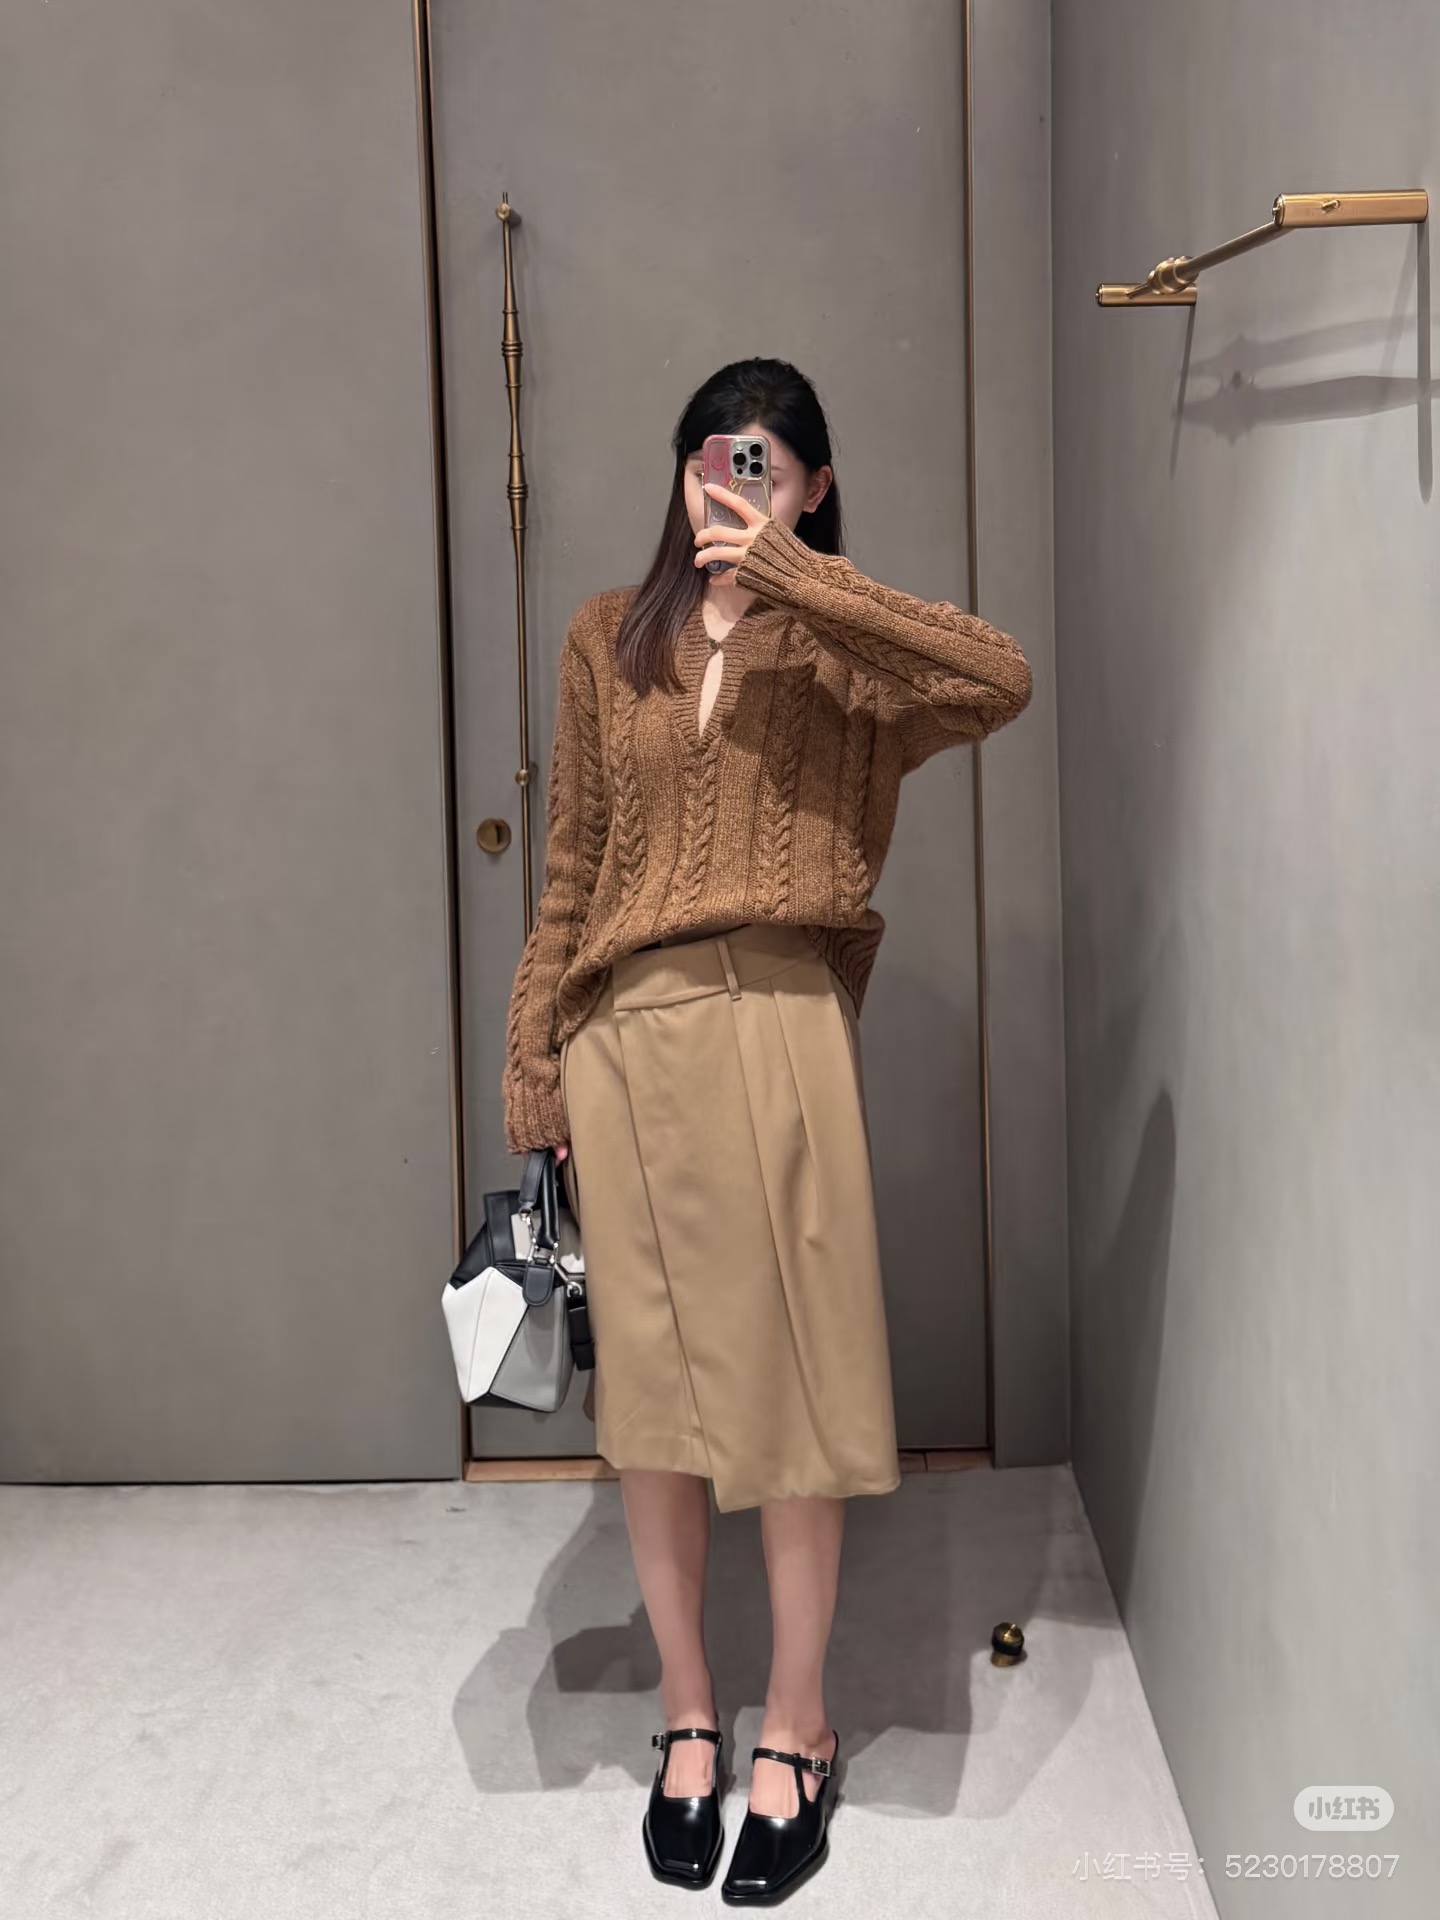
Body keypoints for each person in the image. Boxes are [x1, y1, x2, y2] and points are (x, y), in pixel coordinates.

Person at [501, 357, 1033, 1902]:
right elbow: (572, 867)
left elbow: (998, 677)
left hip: (781, 1023)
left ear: (811, 487)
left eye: (763, 467)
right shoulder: (608, 636)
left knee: (799, 1391)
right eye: (708, 463)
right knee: (656, 1404)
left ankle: (798, 1726)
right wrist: (535, 1063)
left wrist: (805, 580)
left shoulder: (850, 660)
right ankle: (690, 1715)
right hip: (625, 1040)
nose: (726, 491)